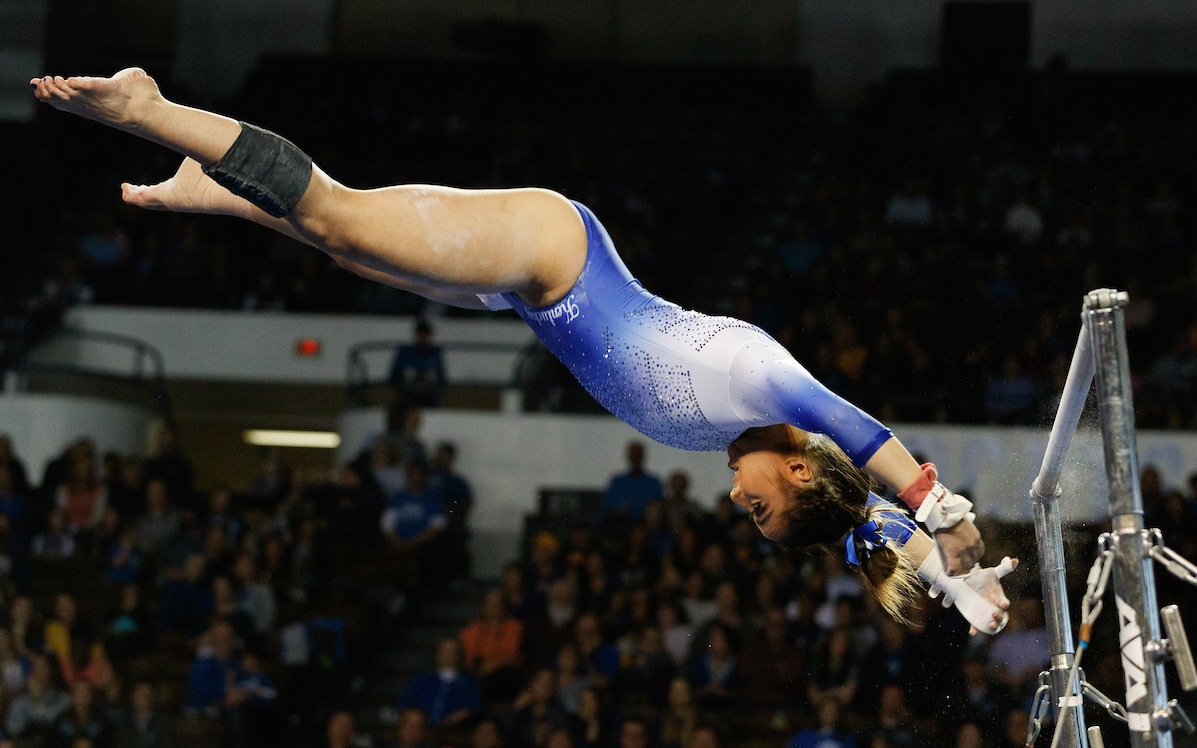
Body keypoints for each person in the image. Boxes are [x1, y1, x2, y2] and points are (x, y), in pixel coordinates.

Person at [32, 69, 1014, 631]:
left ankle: (215, 187)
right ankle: (146, 106)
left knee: (348, 246)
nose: (736, 496)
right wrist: (945, 510)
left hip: (531, 294)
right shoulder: (757, 380)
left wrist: (946, 575)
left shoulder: (774, 448)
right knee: (340, 216)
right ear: (794, 465)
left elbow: (847, 518)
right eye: (757, 502)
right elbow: (857, 429)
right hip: (558, 259)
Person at [389, 319, 447, 408]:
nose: (423, 337)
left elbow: (441, 378)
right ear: (416, 335)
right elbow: (394, 375)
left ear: (429, 335)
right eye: (420, 334)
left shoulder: (435, 353)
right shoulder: (405, 352)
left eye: (425, 335)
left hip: (429, 394)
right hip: (408, 393)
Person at [600, 442, 664, 522]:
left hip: (645, 528)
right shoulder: (617, 482)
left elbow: (659, 507)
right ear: (628, 456)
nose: (635, 458)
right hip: (620, 525)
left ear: (643, 457)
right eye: (633, 455)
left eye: (638, 455)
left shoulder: (654, 483)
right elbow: (607, 506)